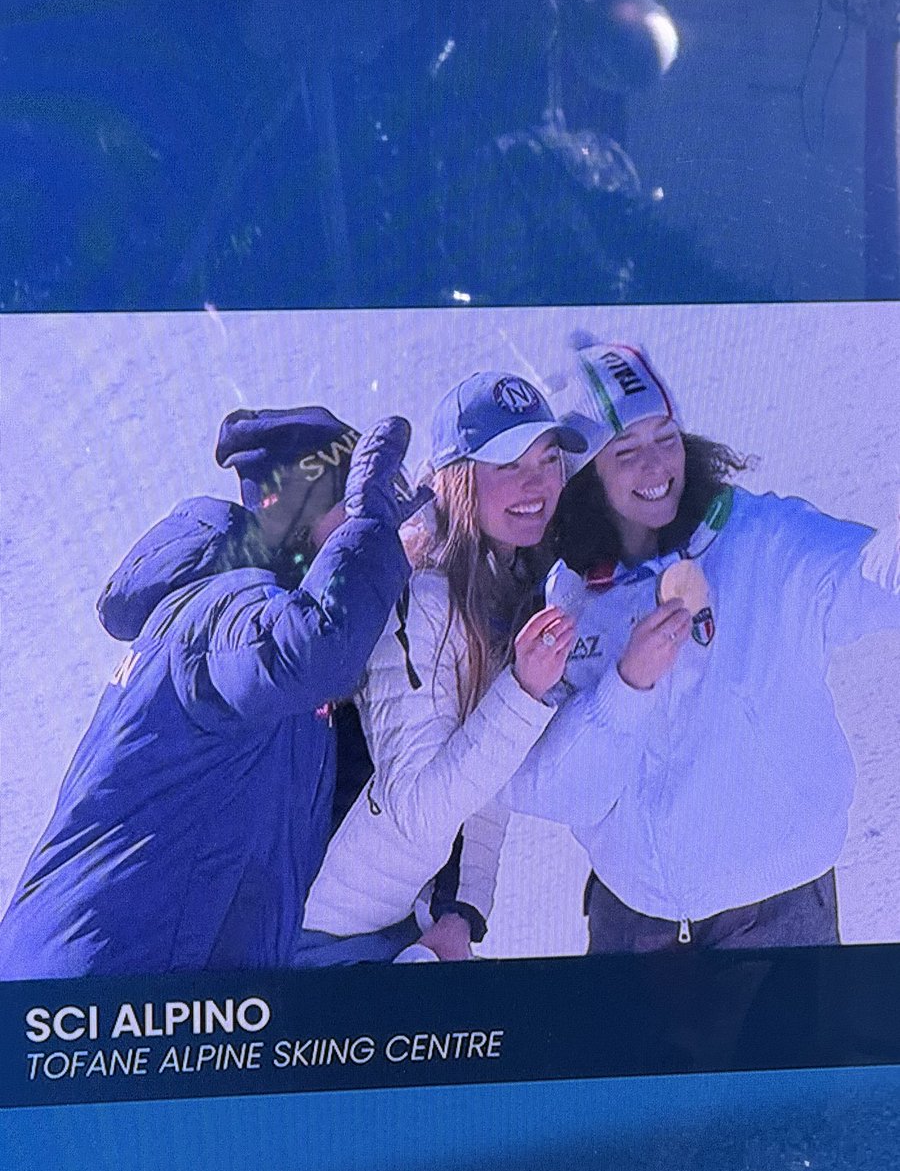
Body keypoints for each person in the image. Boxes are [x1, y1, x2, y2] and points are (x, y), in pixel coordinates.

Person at [499, 337, 900, 953]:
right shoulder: (567, 596)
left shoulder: (765, 539)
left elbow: (867, 576)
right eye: (625, 451)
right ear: (584, 477)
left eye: (667, 438)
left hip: (778, 921)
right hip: (632, 923)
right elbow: (552, 792)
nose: (656, 468)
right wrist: (629, 685)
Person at [0, 409, 425, 977]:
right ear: (299, 516)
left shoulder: (259, 660)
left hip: (135, 987)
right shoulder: (222, 609)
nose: (373, 528)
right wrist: (370, 527)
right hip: (107, 988)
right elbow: (312, 649)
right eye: (346, 510)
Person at [302, 370, 689, 960]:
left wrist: (460, 913)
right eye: (507, 464)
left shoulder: (509, 577)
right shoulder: (423, 595)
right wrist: (524, 692)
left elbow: (491, 779)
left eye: (548, 458)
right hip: (334, 921)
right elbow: (417, 806)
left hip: (405, 913)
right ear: (458, 478)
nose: (536, 483)